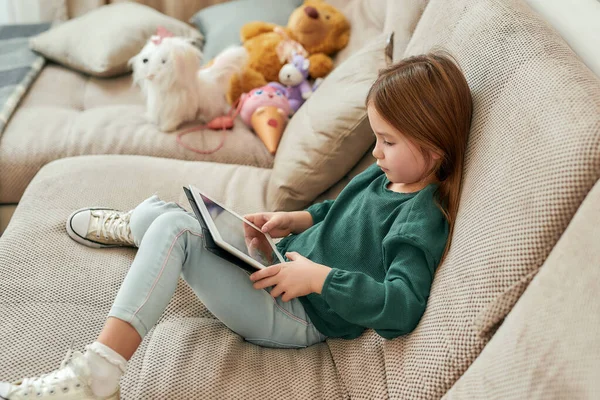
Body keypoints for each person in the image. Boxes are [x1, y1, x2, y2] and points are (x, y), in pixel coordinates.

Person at [0, 50, 472, 400]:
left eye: (387, 141)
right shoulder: (386, 173)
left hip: (295, 316)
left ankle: (98, 374)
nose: (375, 152)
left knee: (178, 231)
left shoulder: (420, 220)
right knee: (177, 218)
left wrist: (318, 278)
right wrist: (298, 218)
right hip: (279, 270)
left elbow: (403, 306)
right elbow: (342, 214)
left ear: (433, 148)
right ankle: (143, 226)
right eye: (376, 138)